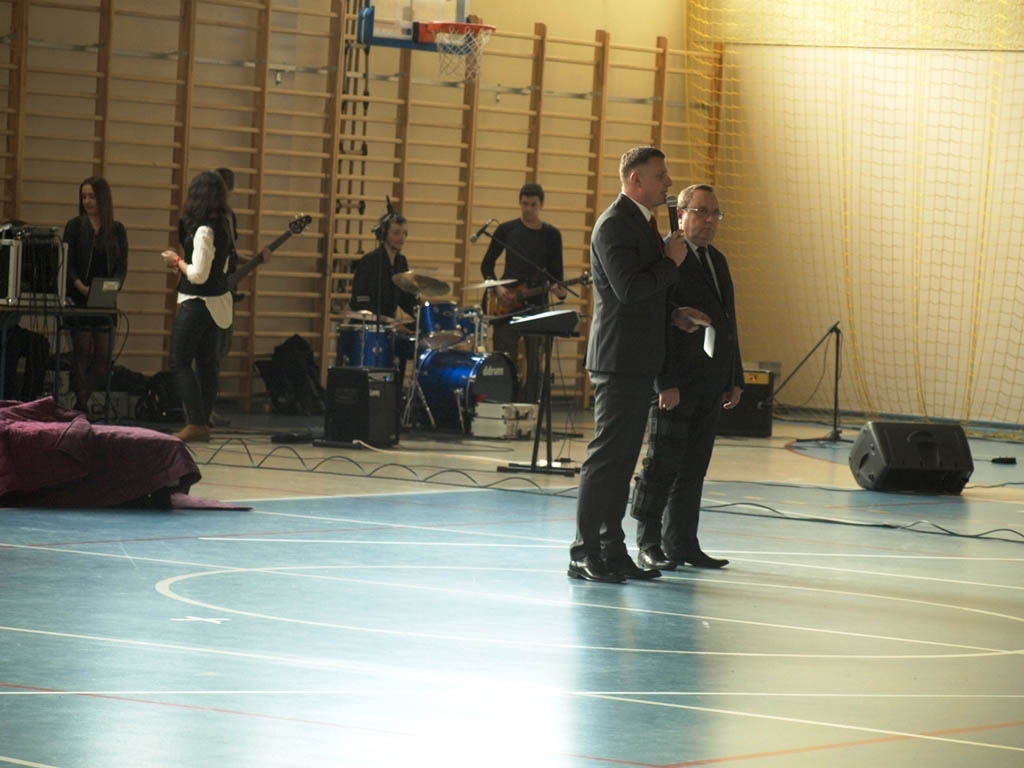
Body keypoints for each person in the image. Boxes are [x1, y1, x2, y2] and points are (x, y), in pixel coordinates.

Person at [568, 147, 691, 583]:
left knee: (622, 462)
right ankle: (582, 551)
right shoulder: (614, 224)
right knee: (607, 458)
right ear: (635, 180)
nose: (668, 182)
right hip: (618, 359)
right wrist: (670, 263)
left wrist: (674, 314)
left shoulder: (642, 223)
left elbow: (644, 295)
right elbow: (628, 289)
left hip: (638, 359)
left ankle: (612, 549)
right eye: (660, 175)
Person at [631, 184, 742, 570]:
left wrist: (734, 376)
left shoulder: (717, 260)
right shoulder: (667, 257)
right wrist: (664, 382)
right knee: (661, 464)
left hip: (710, 381)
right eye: (700, 212)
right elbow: (656, 323)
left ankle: (682, 542)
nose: (709, 220)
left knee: (694, 467)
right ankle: (648, 542)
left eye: (715, 213)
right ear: (680, 215)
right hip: (675, 381)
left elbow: (727, 322)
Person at [160, 171, 234, 442]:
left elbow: (198, 275)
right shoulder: (224, 225)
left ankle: (195, 422)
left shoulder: (203, 230)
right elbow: (220, 267)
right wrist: (185, 266)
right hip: (218, 303)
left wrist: (176, 261)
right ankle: (202, 421)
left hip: (198, 303)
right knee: (207, 364)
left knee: (179, 360)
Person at [479, 183, 566, 404]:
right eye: (524, 204)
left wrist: (560, 291)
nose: (528, 209)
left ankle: (529, 408)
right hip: (507, 303)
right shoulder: (506, 230)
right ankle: (504, 404)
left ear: (541, 205)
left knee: (535, 364)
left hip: (537, 305)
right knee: (504, 359)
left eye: (533, 205)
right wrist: (497, 288)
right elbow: (487, 264)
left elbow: (557, 276)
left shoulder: (551, 235)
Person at [62, 176, 128, 413]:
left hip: (104, 300)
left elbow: (121, 267)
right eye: (84, 197)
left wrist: (114, 286)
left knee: (102, 360)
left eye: (92, 196)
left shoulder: (117, 230)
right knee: (82, 353)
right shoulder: (74, 226)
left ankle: (82, 399)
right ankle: (80, 406)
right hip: (79, 298)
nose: (87, 201)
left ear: (103, 199)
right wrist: (79, 285)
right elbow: (67, 262)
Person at [350, 212, 418, 391]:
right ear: (383, 235)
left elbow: (406, 298)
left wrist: (423, 315)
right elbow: (360, 305)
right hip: (368, 331)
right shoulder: (369, 262)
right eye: (396, 233)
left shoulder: (401, 262)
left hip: (390, 328)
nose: (401, 238)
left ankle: (399, 396)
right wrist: (390, 322)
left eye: (404, 233)